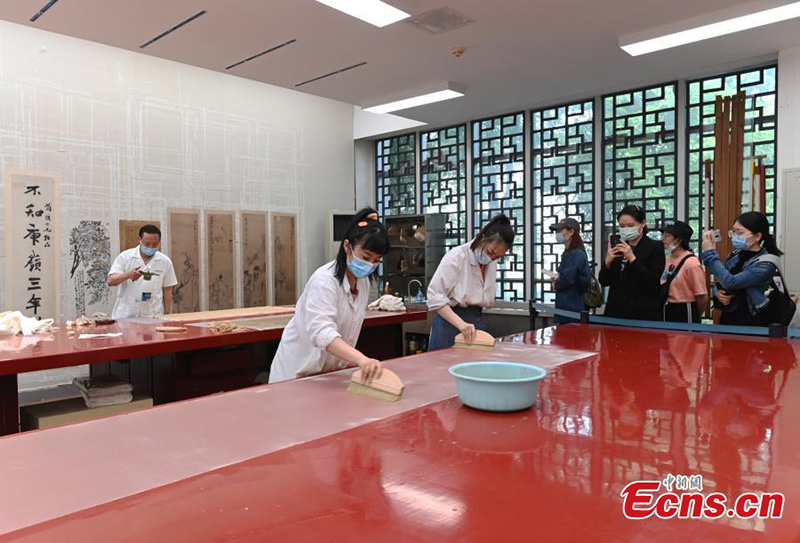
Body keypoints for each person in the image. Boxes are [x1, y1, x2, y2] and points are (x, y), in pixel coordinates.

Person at [269, 208, 389, 383]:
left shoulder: (363, 282)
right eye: (366, 257)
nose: (370, 265)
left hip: (327, 375)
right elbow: (322, 332)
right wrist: (361, 359)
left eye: (376, 261)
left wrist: (351, 360)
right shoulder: (324, 281)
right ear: (347, 246)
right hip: (296, 374)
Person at [426, 214, 515, 350]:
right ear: (482, 238)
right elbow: (434, 296)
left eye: (497, 257)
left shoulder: (491, 261)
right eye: (490, 252)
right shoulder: (457, 256)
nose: (491, 258)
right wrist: (460, 324)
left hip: (475, 322)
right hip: (450, 323)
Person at [701, 211, 782, 326]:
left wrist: (710, 253)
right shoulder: (734, 256)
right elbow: (721, 281)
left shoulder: (765, 264)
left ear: (757, 236)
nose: (734, 236)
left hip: (752, 321)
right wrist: (718, 293)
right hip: (728, 319)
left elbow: (731, 282)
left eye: (739, 233)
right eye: (733, 232)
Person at [599, 204, 665, 321]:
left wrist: (632, 258)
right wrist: (607, 262)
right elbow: (604, 281)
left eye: (630, 225)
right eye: (622, 226)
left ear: (642, 223)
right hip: (615, 312)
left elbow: (651, 282)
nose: (626, 229)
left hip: (642, 314)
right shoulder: (618, 247)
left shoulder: (655, 247)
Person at [107, 224, 177, 319]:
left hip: (153, 315)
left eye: (155, 244)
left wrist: (167, 315)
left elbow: (167, 289)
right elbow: (110, 281)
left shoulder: (165, 261)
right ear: (139, 240)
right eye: (147, 244)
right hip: (126, 316)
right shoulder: (125, 257)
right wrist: (128, 275)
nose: (150, 247)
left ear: (159, 242)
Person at [658, 221, 708, 323]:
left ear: (679, 240)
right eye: (663, 235)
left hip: (685, 309)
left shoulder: (691, 263)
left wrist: (696, 314)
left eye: (667, 236)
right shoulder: (666, 260)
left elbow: (702, 296)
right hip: (667, 307)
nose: (663, 239)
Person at [549, 218, 592, 324]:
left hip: (573, 307)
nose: (557, 234)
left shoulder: (577, 254)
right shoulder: (568, 253)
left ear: (571, 231)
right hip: (565, 306)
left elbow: (566, 280)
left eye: (560, 230)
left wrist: (556, 283)